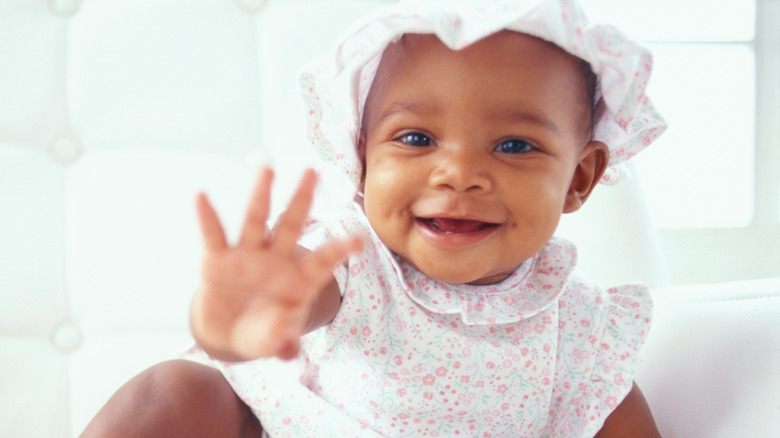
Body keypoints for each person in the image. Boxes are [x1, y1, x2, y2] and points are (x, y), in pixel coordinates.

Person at [82, 0, 667, 436]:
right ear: (360, 160)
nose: (458, 174)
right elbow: (288, 302)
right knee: (176, 391)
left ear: (581, 178)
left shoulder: (582, 330)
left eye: (514, 146)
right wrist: (243, 315)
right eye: (416, 138)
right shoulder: (353, 261)